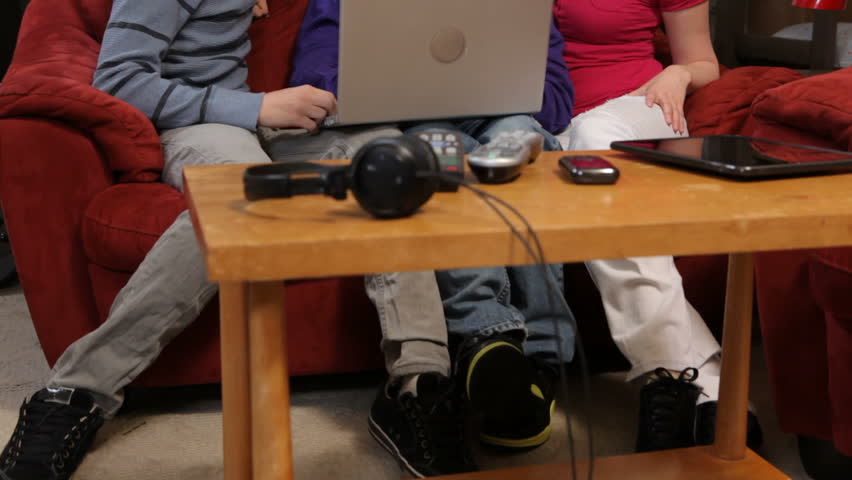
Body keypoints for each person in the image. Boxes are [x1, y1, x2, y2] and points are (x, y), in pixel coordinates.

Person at [0, 1, 345, 479]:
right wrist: (259, 105)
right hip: (203, 127)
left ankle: (421, 377)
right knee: (244, 199)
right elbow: (118, 80)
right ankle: (76, 390)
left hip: (259, 124)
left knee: (396, 163)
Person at [289, 0, 577, 476]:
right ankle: (490, 338)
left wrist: (482, 87)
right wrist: (416, 90)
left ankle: (542, 358)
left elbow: (558, 96)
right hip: (421, 124)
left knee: (525, 138)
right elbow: (319, 77)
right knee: (439, 152)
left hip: (508, 116)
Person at [551, 0, 762, 453]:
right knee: (589, 178)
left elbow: (702, 61)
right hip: (550, 126)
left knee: (591, 140)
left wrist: (678, 74)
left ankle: (665, 375)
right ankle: (712, 393)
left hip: (635, 108)